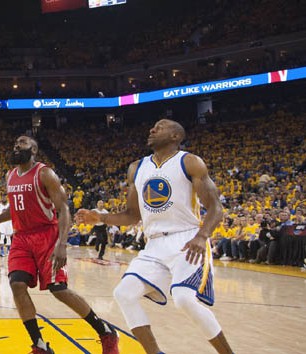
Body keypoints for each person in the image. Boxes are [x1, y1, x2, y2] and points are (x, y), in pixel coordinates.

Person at [76, 119, 234, 354]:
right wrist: (100, 217)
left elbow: (216, 208)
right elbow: (131, 215)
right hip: (154, 244)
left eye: (160, 127)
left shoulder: (189, 162)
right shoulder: (136, 168)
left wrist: (202, 236)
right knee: (124, 293)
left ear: (175, 136)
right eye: (152, 126)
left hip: (186, 239)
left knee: (184, 298)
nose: (151, 129)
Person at [0, 136, 119, 354]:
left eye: (21, 142)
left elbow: (64, 209)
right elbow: (15, 209)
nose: (16, 145)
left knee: (58, 289)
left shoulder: (44, 173)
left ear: (34, 149)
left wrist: (62, 243)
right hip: (21, 238)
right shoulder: (10, 176)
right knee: (16, 285)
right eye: (15, 143)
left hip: (46, 235)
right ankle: (40, 345)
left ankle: (105, 332)